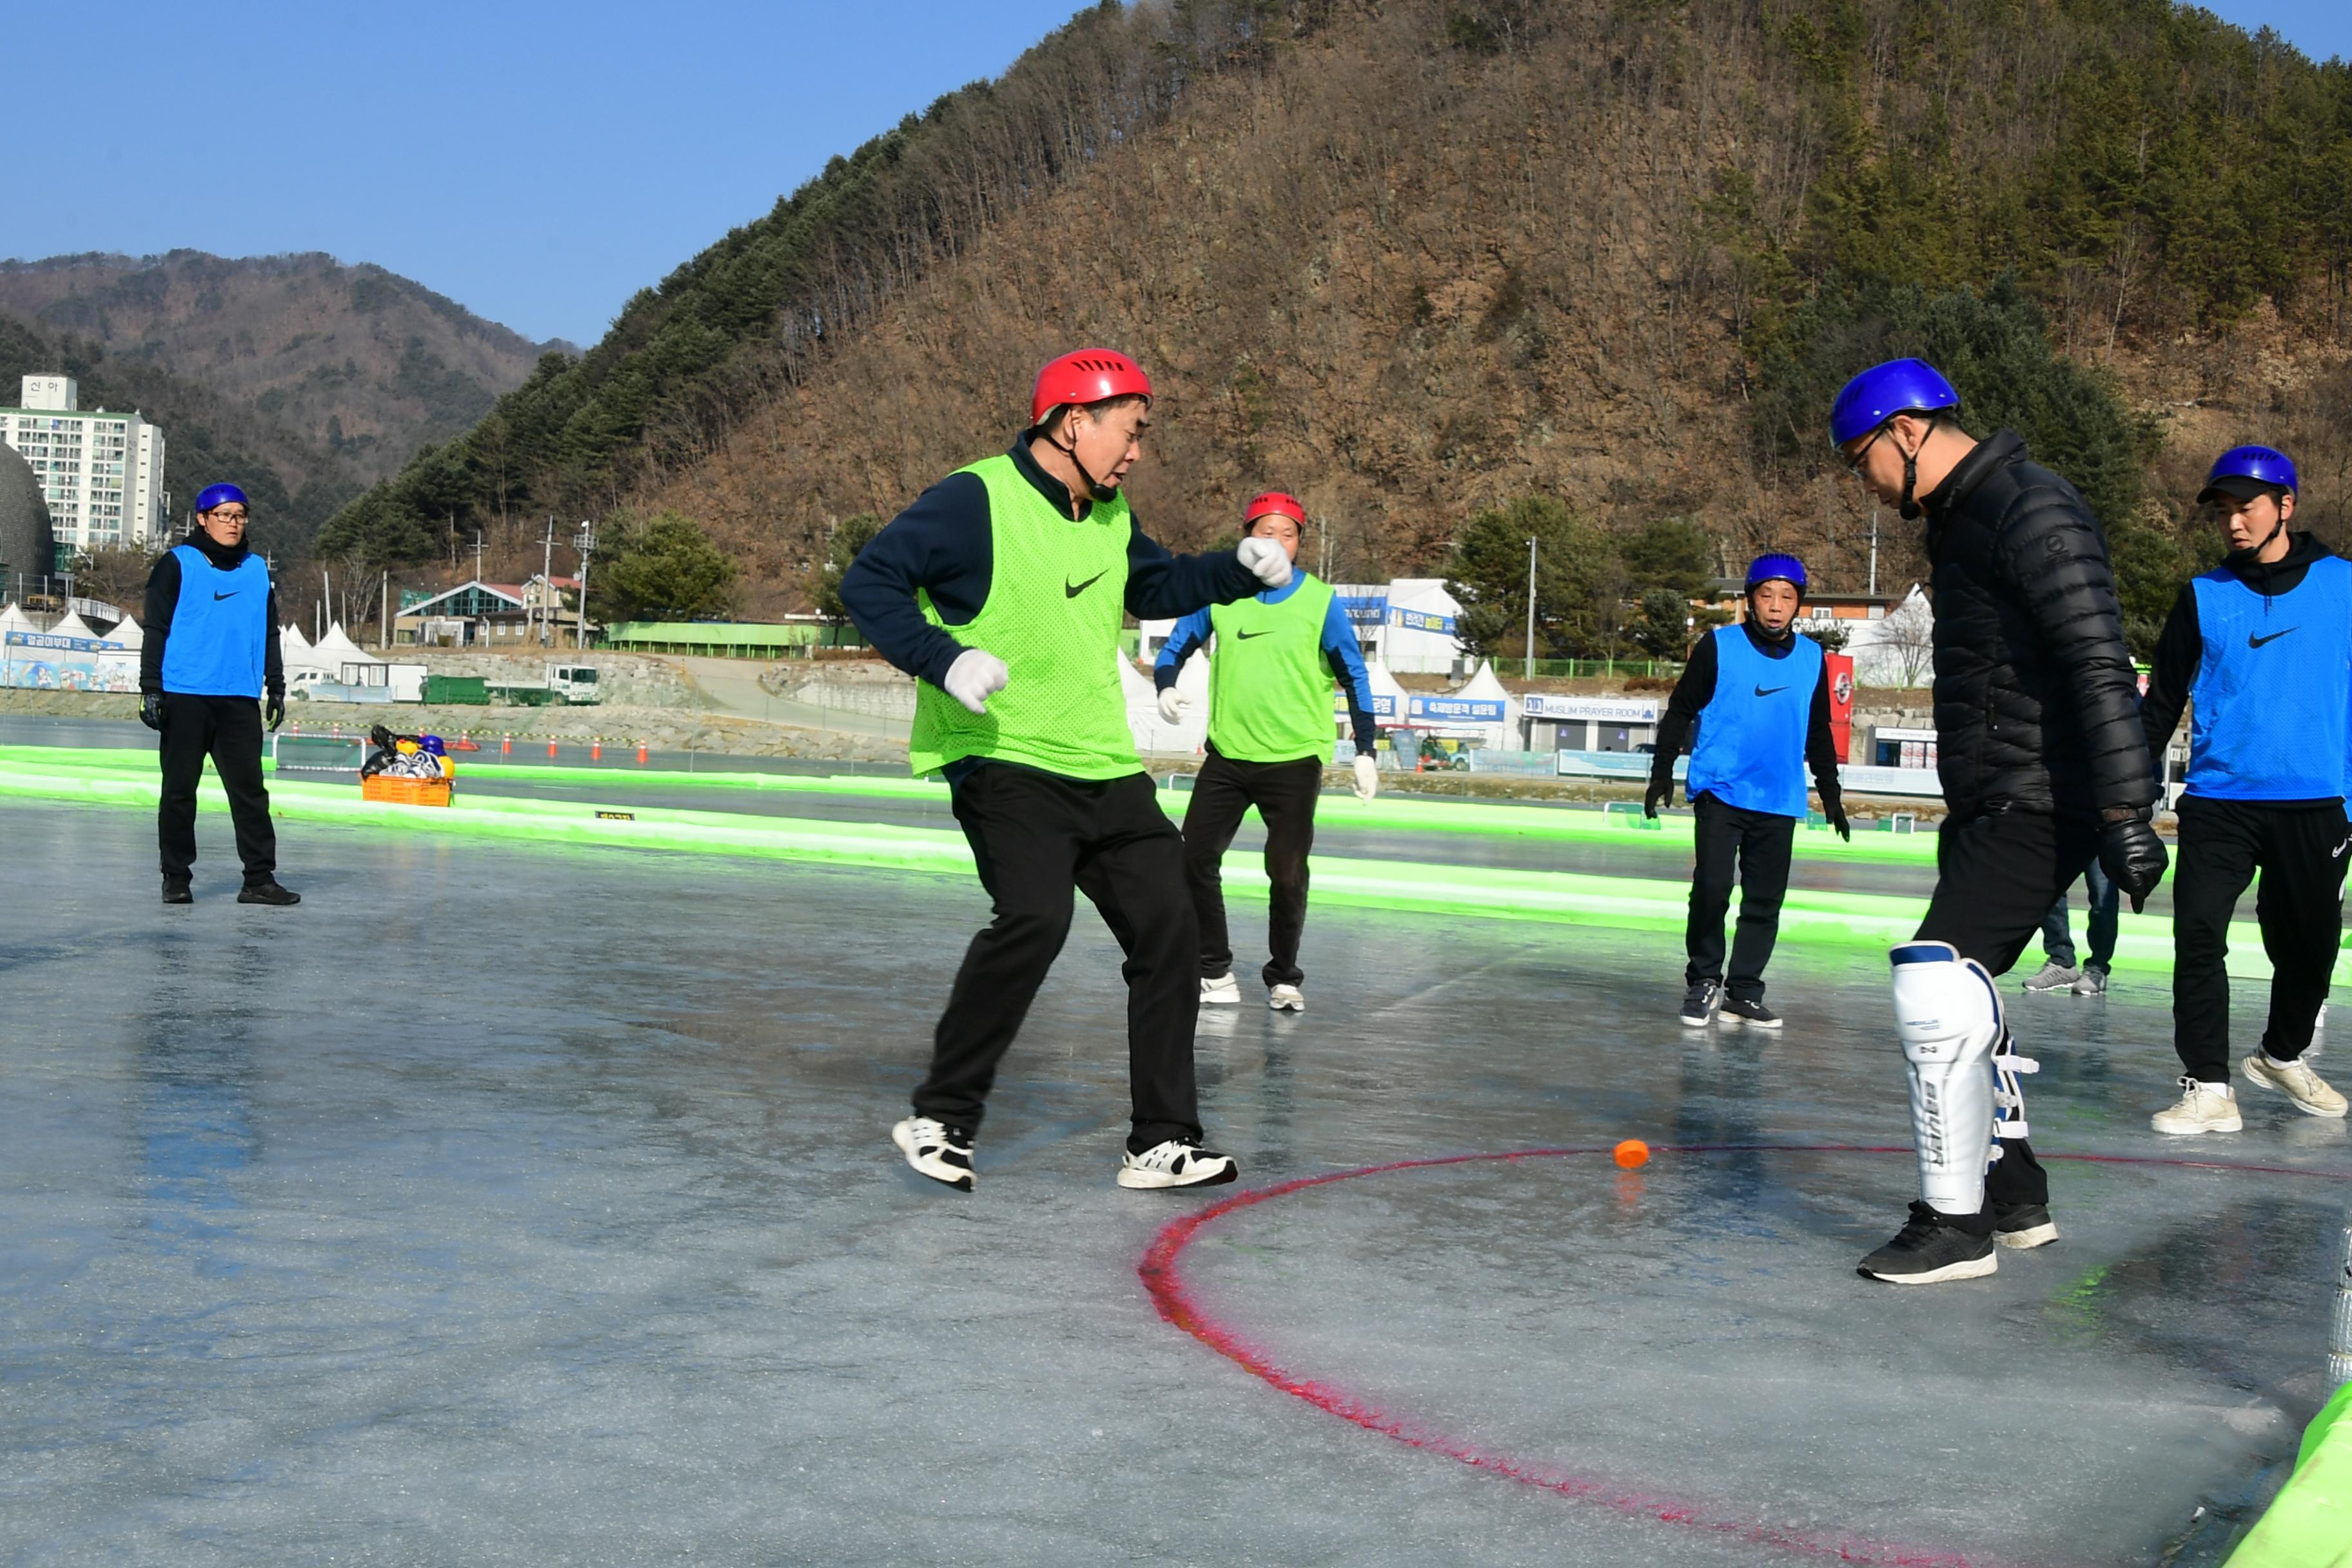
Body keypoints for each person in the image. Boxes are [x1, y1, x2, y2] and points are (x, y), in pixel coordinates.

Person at [839, 349, 1291, 1193]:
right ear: (1073, 421)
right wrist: (941, 658)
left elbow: (1159, 584)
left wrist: (1238, 569)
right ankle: (941, 1116)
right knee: (1034, 919)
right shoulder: (976, 499)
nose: (1138, 452)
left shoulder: (1110, 516)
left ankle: (1160, 1140)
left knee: (1172, 929)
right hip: (1003, 756)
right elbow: (870, 581)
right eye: (1131, 431)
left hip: (1101, 763)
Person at [1828, 358, 2166, 1285]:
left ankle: (1954, 1225)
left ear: (1904, 431)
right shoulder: (1965, 521)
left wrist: (2129, 809)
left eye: (1861, 459)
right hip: (1994, 796)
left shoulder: (2030, 507)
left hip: (2043, 795)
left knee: (1935, 990)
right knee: (1966, 981)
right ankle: (2014, 1195)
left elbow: (2100, 659)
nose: (1864, 482)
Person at [2140, 446, 2351, 1132]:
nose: (2233, 522)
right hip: (2220, 799)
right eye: (2223, 510)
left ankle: (2282, 1053)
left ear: (2286, 506)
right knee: (2198, 933)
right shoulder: (2205, 595)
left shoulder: (2343, 586)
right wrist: (2128, 793)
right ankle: (2208, 1086)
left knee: (2311, 946)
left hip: (2318, 801)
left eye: (2247, 506)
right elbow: (2163, 698)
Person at [1155, 490, 1381, 1012]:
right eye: (1265, 531)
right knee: (1192, 857)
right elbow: (1174, 647)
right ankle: (1214, 971)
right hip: (1229, 757)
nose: (1276, 542)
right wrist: (1165, 686)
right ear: (1247, 536)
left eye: (1288, 533)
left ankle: (1285, 976)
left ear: (1300, 543)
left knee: (1285, 868)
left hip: (1295, 758)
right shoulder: (1220, 594)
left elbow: (1355, 675)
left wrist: (1365, 749)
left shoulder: (1320, 601)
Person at [1646, 553, 1848, 1030]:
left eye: (1787, 597)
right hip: (1722, 789)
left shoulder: (1812, 659)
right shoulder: (1718, 646)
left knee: (1764, 901)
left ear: (1799, 604)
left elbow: (1819, 730)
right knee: (1713, 889)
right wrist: (1661, 773)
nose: (1776, 606)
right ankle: (1704, 981)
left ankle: (1745, 991)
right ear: (1750, 600)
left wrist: (1831, 793)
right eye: (1766, 595)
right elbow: (1679, 711)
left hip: (1778, 798)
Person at [140, 483, 298, 906]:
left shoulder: (256, 570)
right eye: (225, 515)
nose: (233, 523)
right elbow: (155, 629)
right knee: (179, 790)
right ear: (203, 519)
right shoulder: (177, 564)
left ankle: (259, 880)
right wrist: (150, 689)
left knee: (250, 793)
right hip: (184, 695)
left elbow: (268, 632)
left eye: (240, 516)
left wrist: (276, 686)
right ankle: (176, 877)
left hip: (238, 698)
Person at [2021, 863, 2120, 995]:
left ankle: (2098, 968)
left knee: (2103, 901)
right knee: (2050, 889)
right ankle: (2061, 962)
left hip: (2102, 844)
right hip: (2063, 842)